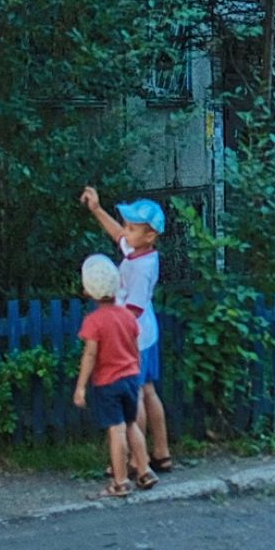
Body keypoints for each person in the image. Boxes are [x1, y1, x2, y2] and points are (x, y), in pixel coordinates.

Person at [80, 184, 174, 472]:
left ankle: (137, 459)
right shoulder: (138, 252)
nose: (125, 230)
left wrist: (114, 333)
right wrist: (96, 209)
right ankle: (161, 451)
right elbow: (117, 235)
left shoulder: (141, 268)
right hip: (147, 333)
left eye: (132, 227)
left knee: (135, 396)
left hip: (134, 337)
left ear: (150, 235)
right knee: (148, 391)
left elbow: (132, 309)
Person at [72, 253, 157, 497]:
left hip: (108, 383)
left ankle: (120, 481)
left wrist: (81, 386)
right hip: (131, 378)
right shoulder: (128, 317)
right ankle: (145, 469)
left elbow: (90, 355)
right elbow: (135, 345)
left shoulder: (94, 322)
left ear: (88, 291)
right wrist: (136, 369)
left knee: (116, 430)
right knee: (132, 425)